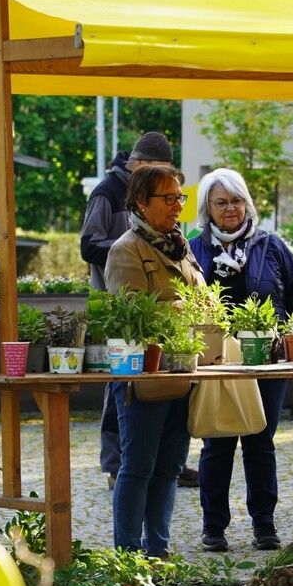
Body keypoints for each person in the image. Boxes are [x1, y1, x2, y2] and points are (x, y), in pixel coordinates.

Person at [188, 168, 293, 552]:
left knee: (260, 441)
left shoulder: (271, 246)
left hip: (266, 360)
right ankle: (214, 527)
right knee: (217, 444)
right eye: (221, 202)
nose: (231, 209)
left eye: (237, 200)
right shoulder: (195, 249)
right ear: (207, 207)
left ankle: (264, 525)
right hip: (218, 362)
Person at [80, 131, 199, 491]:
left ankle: (170, 465)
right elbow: (89, 244)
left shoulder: (173, 234)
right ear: (138, 164)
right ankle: (116, 464)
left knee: (164, 401)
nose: (174, 200)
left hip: (163, 318)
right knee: (122, 389)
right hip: (117, 301)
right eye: (164, 188)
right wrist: (134, 251)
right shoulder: (106, 192)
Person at [104, 165, 205, 558]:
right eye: (169, 198)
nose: (178, 205)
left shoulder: (180, 245)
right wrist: (184, 309)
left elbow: (202, 298)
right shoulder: (126, 249)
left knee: (170, 467)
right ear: (142, 203)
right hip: (141, 376)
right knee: (137, 465)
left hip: (182, 370)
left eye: (180, 197)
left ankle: (158, 550)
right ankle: (128, 555)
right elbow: (132, 316)